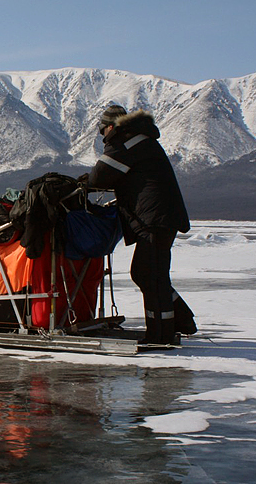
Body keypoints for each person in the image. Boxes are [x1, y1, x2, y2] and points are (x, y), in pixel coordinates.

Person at [86, 104, 196, 344]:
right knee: (148, 273)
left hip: (154, 219)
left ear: (111, 126)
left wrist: (84, 182)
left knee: (150, 275)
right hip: (160, 217)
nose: (102, 136)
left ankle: (161, 334)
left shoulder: (125, 143)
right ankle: (181, 319)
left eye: (101, 131)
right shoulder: (140, 140)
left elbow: (99, 177)